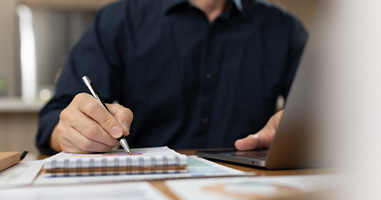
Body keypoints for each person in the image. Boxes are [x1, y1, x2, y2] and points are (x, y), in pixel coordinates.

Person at [36, 0, 307, 155]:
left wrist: (303, 126)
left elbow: (330, 112)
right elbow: (55, 118)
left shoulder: (285, 29)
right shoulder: (119, 21)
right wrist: (72, 132)